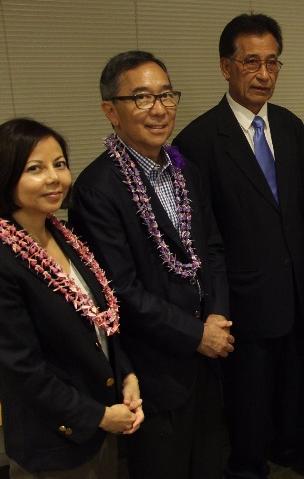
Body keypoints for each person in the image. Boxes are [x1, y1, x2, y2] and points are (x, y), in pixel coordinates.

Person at [172, 13, 304, 477]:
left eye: (272, 63)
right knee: (248, 394)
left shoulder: (290, 126)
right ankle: (247, 465)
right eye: (251, 62)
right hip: (242, 291)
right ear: (226, 67)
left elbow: (301, 209)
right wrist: (215, 305)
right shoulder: (197, 140)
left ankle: (296, 449)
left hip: (295, 282)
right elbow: (203, 234)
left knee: (296, 385)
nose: (264, 74)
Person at [69, 51, 233, 479]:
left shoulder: (186, 171)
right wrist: (196, 334)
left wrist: (217, 315)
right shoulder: (96, 189)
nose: (159, 109)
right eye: (142, 98)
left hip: (209, 357)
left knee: (209, 464)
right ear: (111, 111)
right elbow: (119, 289)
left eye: (167, 95)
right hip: (154, 369)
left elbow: (212, 249)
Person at [0, 118, 144, 477]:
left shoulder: (62, 235)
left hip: (102, 417)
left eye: (59, 164)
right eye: (36, 168)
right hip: (54, 439)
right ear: (2, 176)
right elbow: (22, 370)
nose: (54, 178)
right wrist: (98, 416)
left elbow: (99, 319)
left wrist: (126, 375)